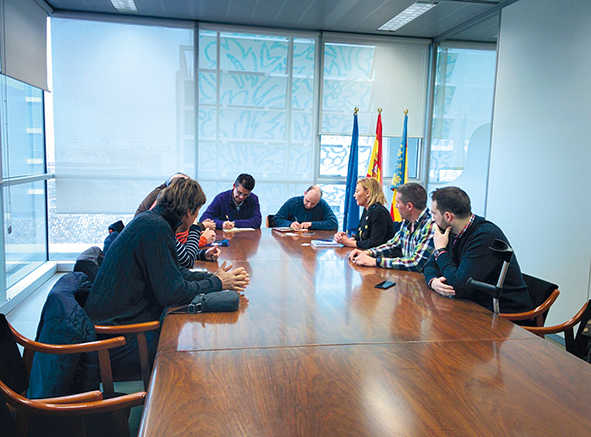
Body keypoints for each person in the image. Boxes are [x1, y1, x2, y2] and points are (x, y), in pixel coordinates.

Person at [85, 177, 250, 377]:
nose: (195, 219)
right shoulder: (156, 228)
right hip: (118, 339)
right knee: (199, 362)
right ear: (189, 212)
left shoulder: (152, 221)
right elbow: (172, 293)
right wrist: (218, 282)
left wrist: (215, 278)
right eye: (196, 212)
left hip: (118, 323)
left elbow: (174, 273)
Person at [423, 186, 533, 313]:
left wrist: (441, 251)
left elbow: (459, 287)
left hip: (503, 312)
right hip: (474, 303)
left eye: (433, 214)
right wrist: (433, 281)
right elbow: (429, 265)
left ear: (448, 216)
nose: (432, 219)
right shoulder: (449, 231)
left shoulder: (485, 236)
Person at [134, 172, 216, 267]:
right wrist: (195, 228)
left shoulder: (157, 218)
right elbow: (187, 261)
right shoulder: (159, 227)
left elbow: (172, 253)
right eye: (197, 210)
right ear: (189, 212)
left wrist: (202, 254)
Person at [349, 182, 434, 271]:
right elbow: (392, 244)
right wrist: (368, 253)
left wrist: (375, 261)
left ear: (409, 206)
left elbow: (416, 263)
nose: (396, 206)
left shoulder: (430, 226)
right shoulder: (407, 222)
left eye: (397, 202)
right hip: (407, 278)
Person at [334, 177, 394, 249]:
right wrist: (344, 238)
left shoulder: (378, 212)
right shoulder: (367, 210)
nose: (354, 195)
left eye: (357, 191)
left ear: (368, 193)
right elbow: (361, 237)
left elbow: (375, 243)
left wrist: (348, 242)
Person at [273, 185, 338, 230]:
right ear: (305, 193)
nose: (309, 205)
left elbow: (333, 223)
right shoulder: (292, 202)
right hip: (292, 241)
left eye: (313, 203)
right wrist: (290, 224)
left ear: (318, 200)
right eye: (307, 201)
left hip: (313, 239)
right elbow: (276, 219)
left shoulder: (322, 204)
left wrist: (312, 224)